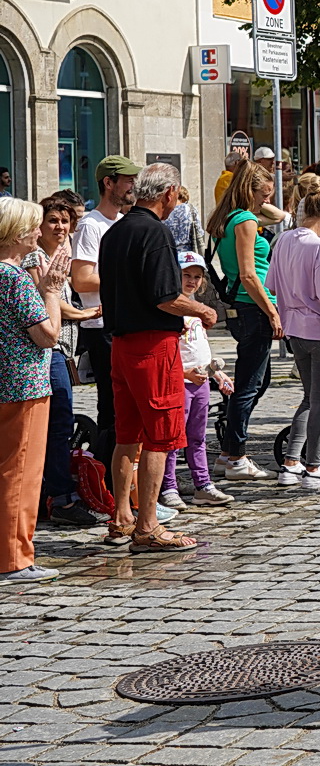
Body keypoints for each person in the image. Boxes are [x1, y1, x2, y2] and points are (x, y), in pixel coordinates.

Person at [102, 163, 214, 552]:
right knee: (161, 436)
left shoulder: (114, 231)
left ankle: (121, 517)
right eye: (177, 195)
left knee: (127, 434)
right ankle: (148, 525)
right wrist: (201, 309)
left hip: (120, 345)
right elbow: (165, 296)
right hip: (152, 346)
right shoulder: (156, 231)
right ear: (168, 194)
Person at [0, 198, 65, 583]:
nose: (39, 233)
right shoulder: (12, 276)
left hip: (7, 383)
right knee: (21, 472)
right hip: (24, 385)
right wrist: (52, 291)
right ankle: (14, 557)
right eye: (34, 227)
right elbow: (47, 335)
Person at [27, 192, 102, 526]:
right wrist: (84, 313)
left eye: (65, 221)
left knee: (57, 420)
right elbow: (47, 300)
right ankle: (60, 498)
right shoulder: (35, 258)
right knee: (58, 421)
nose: (60, 227)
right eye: (53, 221)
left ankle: (51, 491)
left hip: (61, 348)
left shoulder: (62, 254)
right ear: (39, 226)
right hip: (46, 348)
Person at [267, 186, 320, 489]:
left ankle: (291, 463)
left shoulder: (284, 239)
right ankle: (314, 467)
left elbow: (273, 285)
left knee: (309, 397)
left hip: (295, 329)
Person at [206, 161, 281, 481]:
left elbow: (279, 216)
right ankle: (235, 453)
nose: (269, 201)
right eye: (265, 194)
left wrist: (262, 200)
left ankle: (228, 451)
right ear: (250, 191)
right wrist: (273, 311)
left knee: (255, 381)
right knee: (249, 385)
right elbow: (250, 275)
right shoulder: (246, 221)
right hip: (255, 306)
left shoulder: (229, 219)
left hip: (240, 306)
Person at [69, 155, 139, 464]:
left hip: (126, 323)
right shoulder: (91, 225)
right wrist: (127, 278)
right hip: (101, 328)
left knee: (130, 407)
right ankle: (106, 480)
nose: (132, 185)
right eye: (126, 179)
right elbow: (82, 281)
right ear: (108, 183)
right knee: (113, 408)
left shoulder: (124, 222)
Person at [162, 252, 233, 509]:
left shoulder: (197, 311)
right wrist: (184, 374)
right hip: (179, 382)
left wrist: (216, 372)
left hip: (200, 382)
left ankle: (203, 484)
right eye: (186, 275)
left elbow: (200, 349)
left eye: (197, 277)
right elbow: (168, 353)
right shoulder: (172, 309)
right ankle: (168, 486)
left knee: (198, 437)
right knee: (173, 438)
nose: (191, 281)